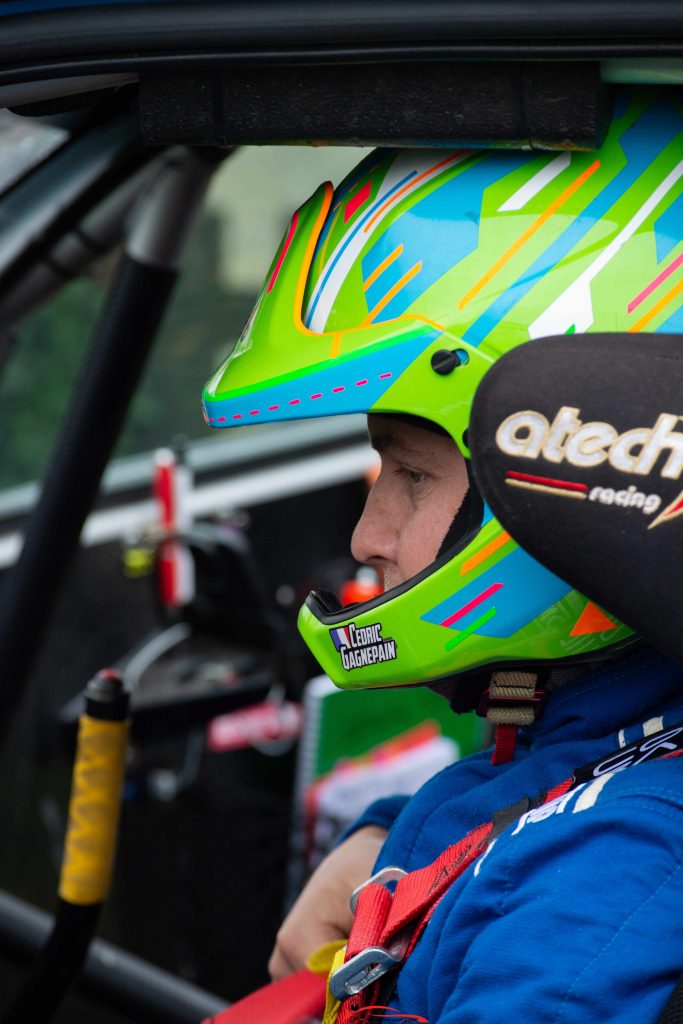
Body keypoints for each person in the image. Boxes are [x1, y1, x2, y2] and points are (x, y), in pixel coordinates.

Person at [202, 88, 683, 1022]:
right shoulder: (600, 731)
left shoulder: (595, 897)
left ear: (597, 458)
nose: (366, 537)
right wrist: (393, 834)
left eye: (413, 478)